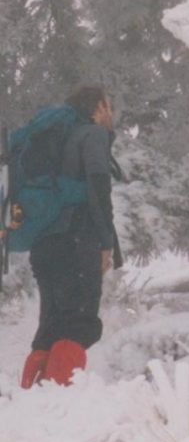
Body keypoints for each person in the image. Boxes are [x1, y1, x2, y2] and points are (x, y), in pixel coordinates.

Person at [20, 85, 122, 388]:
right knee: (79, 323)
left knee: (51, 325)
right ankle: (60, 403)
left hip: (44, 242)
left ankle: (31, 400)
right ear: (99, 107)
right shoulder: (92, 134)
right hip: (77, 240)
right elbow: (98, 188)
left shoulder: (59, 138)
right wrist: (106, 244)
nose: (111, 112)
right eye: (109, 105)